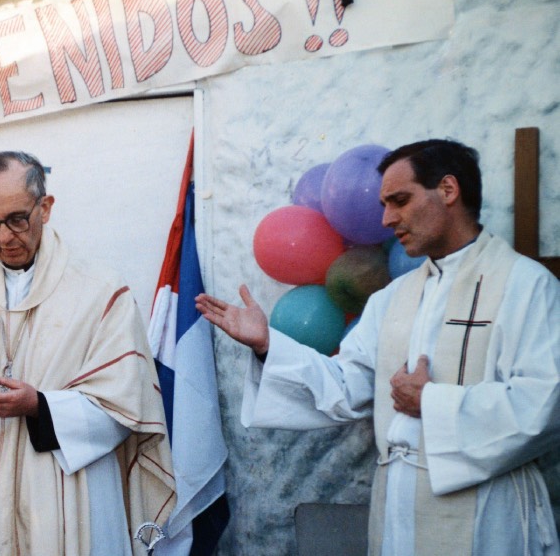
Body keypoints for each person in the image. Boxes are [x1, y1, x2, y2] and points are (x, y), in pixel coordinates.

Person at [196, 139, 560, 555]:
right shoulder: (394, 297)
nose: (386, 219)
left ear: (448, 190)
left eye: (400, 201)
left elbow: (545, 403)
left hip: (488, 512)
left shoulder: (525, 285)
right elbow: (346, 386)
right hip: (398, 504)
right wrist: (268, 345)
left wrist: (431, 403)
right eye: (385, 205)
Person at [0, 151, 176, 555]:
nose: (3, 237)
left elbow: (126, 405)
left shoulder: (99, 291)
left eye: (17, 219)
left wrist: (41, 406)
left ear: (45, 208)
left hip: (64, 494)